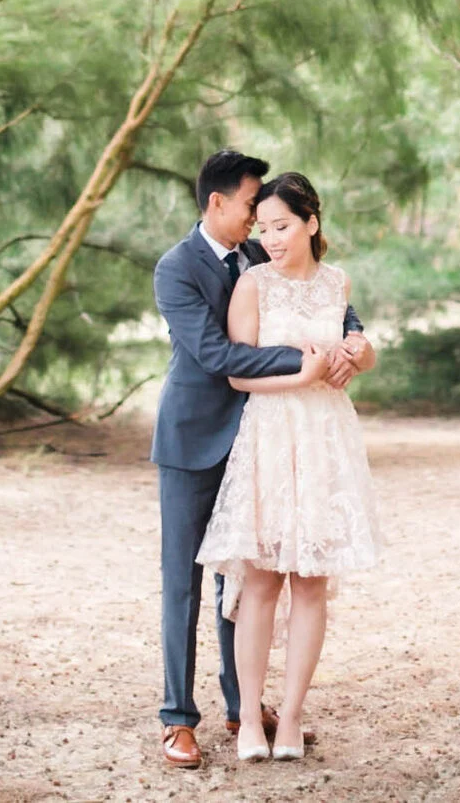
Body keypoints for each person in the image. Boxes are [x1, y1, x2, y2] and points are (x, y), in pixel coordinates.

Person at [152, 150, 372, 770]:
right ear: (218, 203)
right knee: (183, 583)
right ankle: (176, 719)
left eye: (270, 214)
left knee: (244, 580)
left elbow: (335, 311)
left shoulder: (260, 254)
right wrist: (306, 364)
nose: (261, 219)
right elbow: (218, 354)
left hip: (263, 444)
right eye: (252, 206)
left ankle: (239, 706)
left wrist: (352, 346)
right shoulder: (176, 268)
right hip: (195, 439)